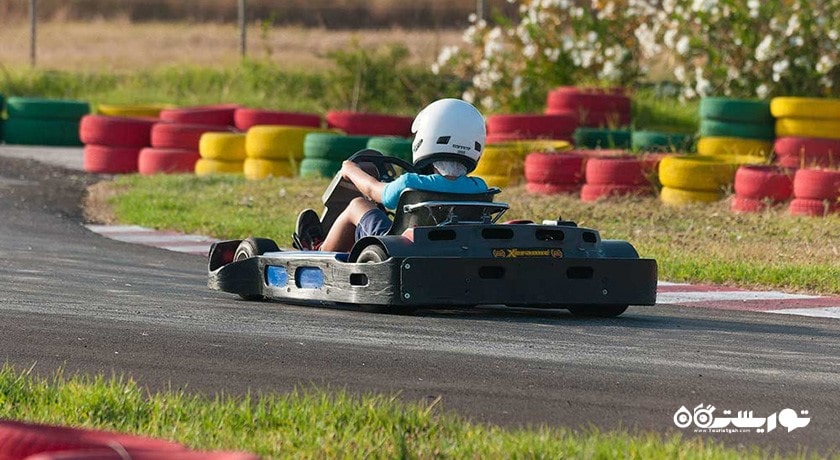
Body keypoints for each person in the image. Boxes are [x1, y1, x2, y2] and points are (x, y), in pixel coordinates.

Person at [293, 98, 489, 252]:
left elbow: (371, 189)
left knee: (357, 205)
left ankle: (320, 250)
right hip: (457, 246)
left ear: (427, 136)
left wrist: (350, 170)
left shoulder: (410, 184)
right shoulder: (480, 187)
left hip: (402, 247)